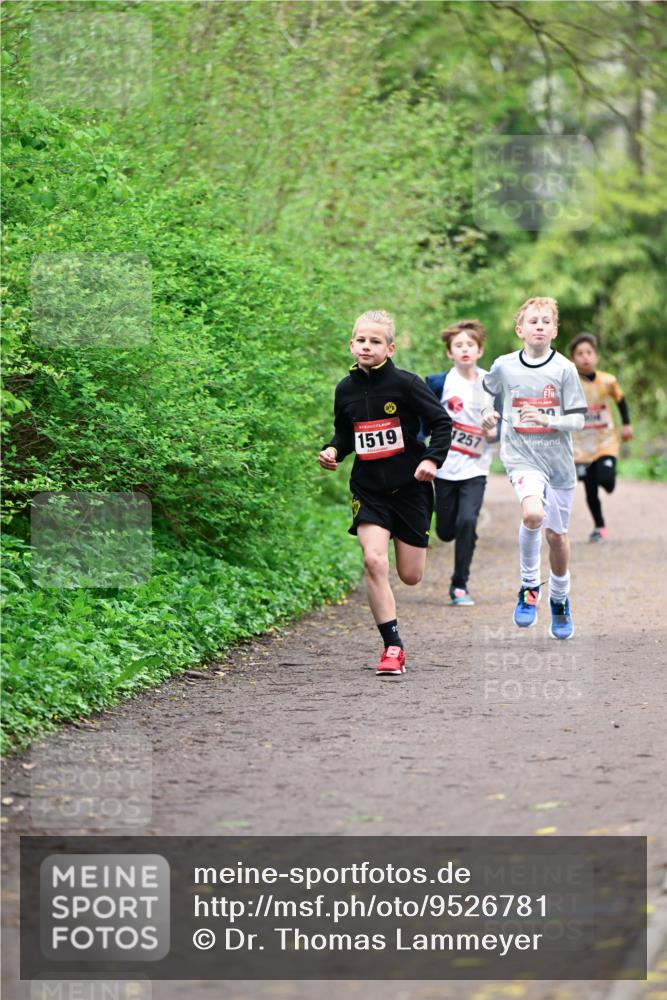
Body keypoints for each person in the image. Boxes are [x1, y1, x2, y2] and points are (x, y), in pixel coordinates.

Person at [318, 310, 451, 677]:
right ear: (351, 344)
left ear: (389, 348)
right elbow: (345, 433)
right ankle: (392, 646)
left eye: (375, 341)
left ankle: (394, 636)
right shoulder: (344, 389)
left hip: (411, 488)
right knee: (374, 561)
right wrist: (333, 450)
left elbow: (441, 423)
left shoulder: (406, 385)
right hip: (369, 488)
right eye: (361, 340)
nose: (367, 346)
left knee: (410, 575)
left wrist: (432, 460)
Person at [481, 297, 587, 640]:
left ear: (554, 330)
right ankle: (529, 588)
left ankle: (559, 598)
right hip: (521, 456)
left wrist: (546, 418)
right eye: (533, 321)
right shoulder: (504, 365)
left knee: (557, 537)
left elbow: (578, 420)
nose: (539, 326)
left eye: (545, 321)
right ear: (520, 329)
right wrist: (487, 413)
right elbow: (489, 391)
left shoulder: (565, 369)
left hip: (557, 463)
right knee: (532, 515)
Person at [425, 319, 497, 606]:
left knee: (468, 521)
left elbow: (500, 430)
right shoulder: (439, 383)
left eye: (470, 345)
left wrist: (494, 431)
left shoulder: (489, 383)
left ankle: (459, 584)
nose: (465, 350)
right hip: (444, 467)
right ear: (449, 353)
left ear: (479, 351)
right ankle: (448, 531)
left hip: (475, 468)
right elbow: (423, 421)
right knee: (445, 531)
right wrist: (422, 450)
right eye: (459, 345)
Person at [569, 332, 633, 542]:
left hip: (606, 441)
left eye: (589, 353)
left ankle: (607, 479)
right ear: (573, 359)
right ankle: (599, 526)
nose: (585, 357)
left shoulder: (608, 381)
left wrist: (626, 424)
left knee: (606, 480)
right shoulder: (569, 383)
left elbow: (621, 401)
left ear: (596, 356)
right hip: (581, 446)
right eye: (580, 354)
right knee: (589, 490)